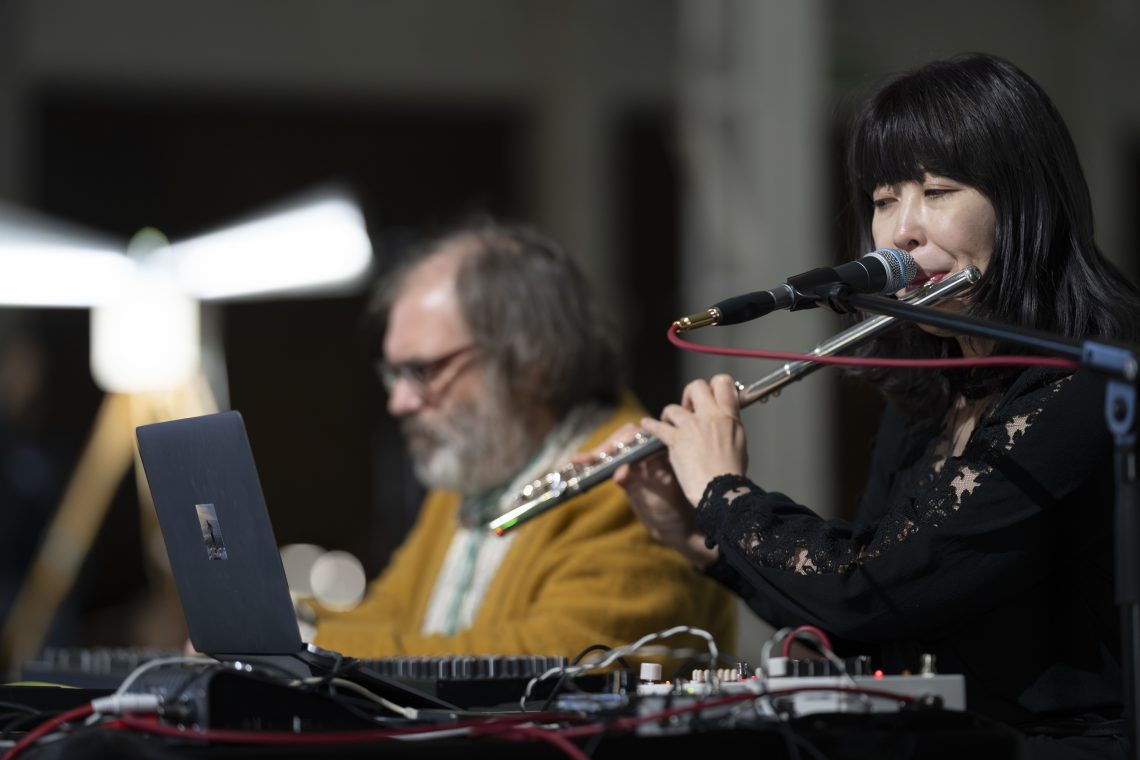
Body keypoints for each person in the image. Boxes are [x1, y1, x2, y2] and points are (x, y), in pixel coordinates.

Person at [614, 53, 1140, 758]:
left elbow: (875, 586)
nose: (899, 233)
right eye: (885, 198)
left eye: (938, 190)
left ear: (1024, 202)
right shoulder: (928, 395)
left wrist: (723, 491)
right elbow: (874, 624)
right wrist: (704, 541)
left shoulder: (1089, 386)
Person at [311, 222, 736, 659]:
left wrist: (308, 646)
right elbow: (389, 616)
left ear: (528, 358)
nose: (398, 402)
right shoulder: (475, 471)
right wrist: (286, 627)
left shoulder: (633, 482)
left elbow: (550, 663)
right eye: (394, 374)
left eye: (422, 371)